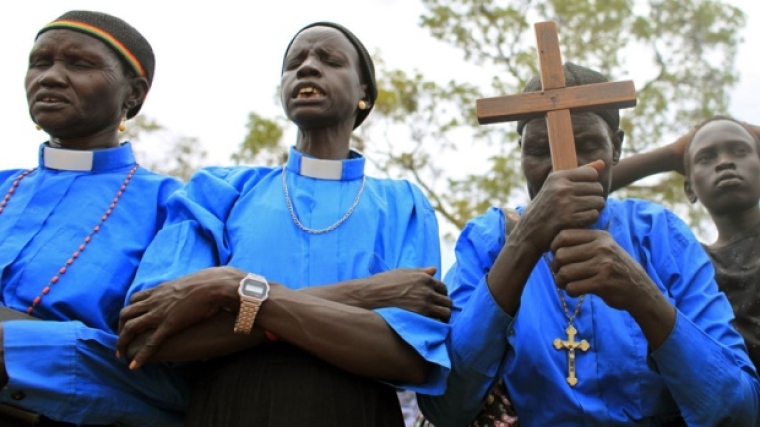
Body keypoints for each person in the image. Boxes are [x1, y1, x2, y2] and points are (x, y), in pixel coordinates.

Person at [116, 22, 451, 427]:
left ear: (364, 93)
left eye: (329, 60)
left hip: (357, 412)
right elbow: (150, 335)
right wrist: (363, 295)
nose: (307, 67)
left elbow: (408, 359)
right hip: (227, 410)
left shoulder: (403, 203)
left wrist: (229, 288)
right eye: (295, 62)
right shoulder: (218, 191)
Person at [417, 63, 760, 426]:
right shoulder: (488, 239)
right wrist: (524, 244)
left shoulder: (660, 234)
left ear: (616, 146)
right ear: (519, 152)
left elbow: (738, 411)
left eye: (589, 146)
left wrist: (642, 295)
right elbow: (445, 407)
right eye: (537, 149)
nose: (562, 169)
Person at [0, 10, 188, 426]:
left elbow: (156, 358)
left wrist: (19, 350)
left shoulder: (172, 205)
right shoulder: (4, 184)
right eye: (40, 62)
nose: (49, 76)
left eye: (80, 64)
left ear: (133, 94)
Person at [611, 115, 760, 372]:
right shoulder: (690, 265)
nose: (725, 162)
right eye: (706, 157)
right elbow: (574, 189)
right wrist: (671, 154)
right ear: (689, 188)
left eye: (740, 151)